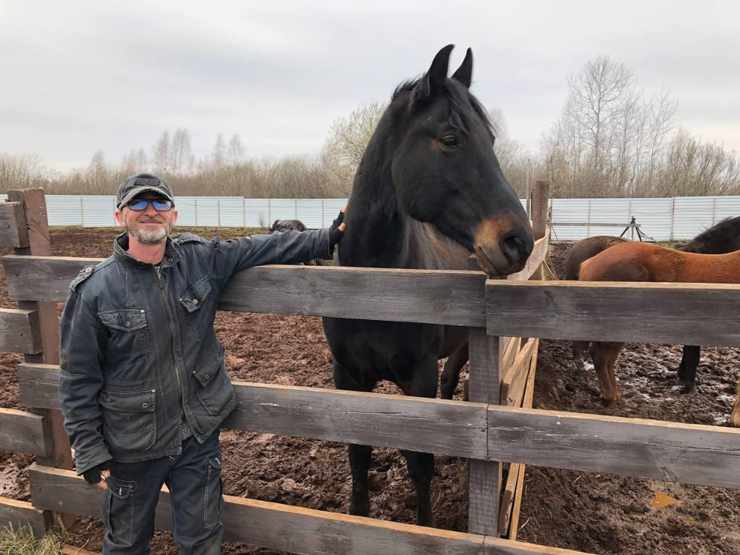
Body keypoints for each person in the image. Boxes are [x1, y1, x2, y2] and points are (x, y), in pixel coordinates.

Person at [59, 173, 344, 554]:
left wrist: (327, 237)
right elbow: (78, 378)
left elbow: (260, 246)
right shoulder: (94, 290)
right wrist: (89, 447)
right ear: (119, 216)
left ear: (173, 215)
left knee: (202, 542)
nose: (150, 212)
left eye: (159, 204)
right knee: (126, 543)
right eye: (138, 204)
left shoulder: (199, 260)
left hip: (196, 436)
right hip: (131, 443)